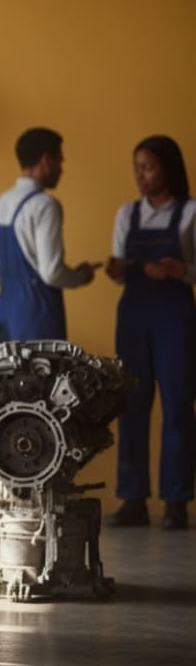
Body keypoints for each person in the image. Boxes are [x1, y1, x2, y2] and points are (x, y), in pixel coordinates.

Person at [105, 135, 196, 531]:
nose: (140, 176)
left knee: (177, 403)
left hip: (175, 313)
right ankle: (133, 499)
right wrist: (118, 269)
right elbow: (118, 265)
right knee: (132, 403)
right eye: (136, 168)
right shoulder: (127, 214)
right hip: (134, 313)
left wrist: (181, 272)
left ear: (168, 168)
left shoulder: (191, 213)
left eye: (148, 167)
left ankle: (176, 501)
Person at [0, 127, 99, 341]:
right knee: (45, 372)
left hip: (6, 312)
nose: (61, 169)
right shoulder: (45, 205)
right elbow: (52, 272)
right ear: (46, 160)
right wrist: (80, 277)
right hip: (38, 313)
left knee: (7, 373)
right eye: (60, 161)